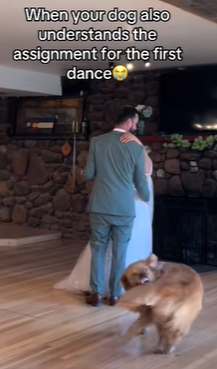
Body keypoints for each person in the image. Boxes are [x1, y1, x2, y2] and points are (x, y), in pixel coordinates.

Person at [54, 106, 152, 307]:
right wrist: (147, 197)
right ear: (128, 123)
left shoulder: (97, 142)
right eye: (134, 122)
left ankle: (96, 293)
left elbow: (89, 175)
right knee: (119, 252)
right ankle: (115, 294)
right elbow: (140, 181)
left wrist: (83, 172)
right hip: (124, 208)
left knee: (98, 250)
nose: (135, 126)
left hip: (100, 205)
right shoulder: (136, 148)